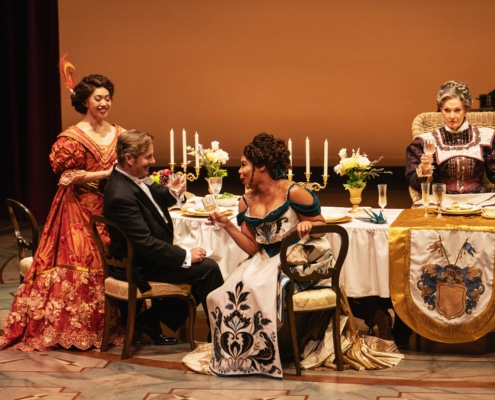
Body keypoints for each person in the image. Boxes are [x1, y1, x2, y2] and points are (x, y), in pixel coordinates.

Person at [185, 132, 328, 378]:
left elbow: (322, 224)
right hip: (264, 258)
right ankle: (241, 354)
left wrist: (310, 226)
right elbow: (252, 247)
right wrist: (226, 225)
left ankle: (269, 352)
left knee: (255, 286)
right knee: (220, 294)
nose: (239, 172)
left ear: (261, 165)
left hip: (295, 257)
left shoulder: (294, 192)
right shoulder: (245, 202)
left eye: (243, 165)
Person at [0, 69, 124, 350]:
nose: (104, 103)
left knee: (111, 259)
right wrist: (104, 174)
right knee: (84, 262)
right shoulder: (72, 137)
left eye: (107, 98)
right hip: (77, 208)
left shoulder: (119, 133)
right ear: (85, 101)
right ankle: (74, 328)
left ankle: (110, 326)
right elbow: (66, 177)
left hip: (111, 208)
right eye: (98, 98)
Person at [103, 129, 224, 345]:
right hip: (139, 264)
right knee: (208, 270)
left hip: (148, 255)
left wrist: (174, 192)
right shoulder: (120, 195)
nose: (153, 161)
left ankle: (150, 320)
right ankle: (221, 334)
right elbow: (146, 244)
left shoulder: (133, 176)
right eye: (148, 157)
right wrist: (185, 255)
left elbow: (155, 195)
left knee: (202, 270)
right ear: (129, 158)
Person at [406, 80, 495, 194]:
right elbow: (415, 185)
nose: (452, 116)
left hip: (479, 200)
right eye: (447, 110)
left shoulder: (486, 137)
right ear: (441, 110)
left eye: (457, 110)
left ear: (466, 109)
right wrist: (424, 168)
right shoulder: (425, 141)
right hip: (441, 200)